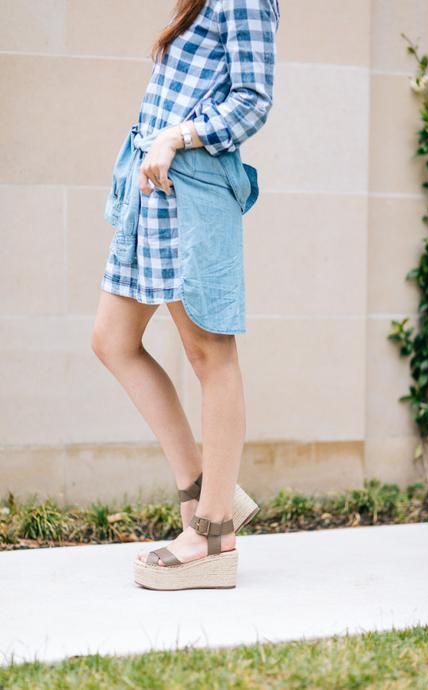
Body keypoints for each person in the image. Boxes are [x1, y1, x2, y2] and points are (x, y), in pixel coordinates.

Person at [91, 0, 280, 590]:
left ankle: (214, 532)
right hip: (152, 187)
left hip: (192, 186)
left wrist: (176, 136)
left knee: (210, 354)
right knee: (112, 340)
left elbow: (252, 101)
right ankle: (204, 489)